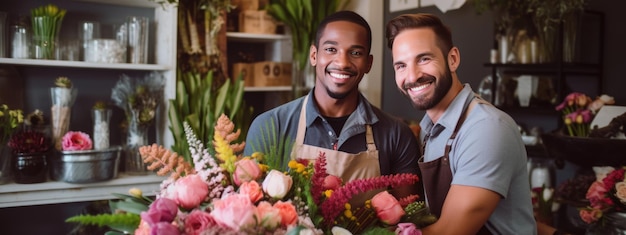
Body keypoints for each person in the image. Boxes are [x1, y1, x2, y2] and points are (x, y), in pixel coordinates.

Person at [385, 13, 537, 234]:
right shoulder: (429, 130)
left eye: (424, 59)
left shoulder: (486, 129)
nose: (412, 76)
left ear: (453, 59)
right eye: (401, 66)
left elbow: (449, 231)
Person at [244, 10, 421, 198]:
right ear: (313, 55)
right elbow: (252, 214)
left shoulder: (397, 135)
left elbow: (409, 219)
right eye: (331, 49)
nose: (343, 62)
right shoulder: (270, 127)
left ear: (368, 63)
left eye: (355, 52)